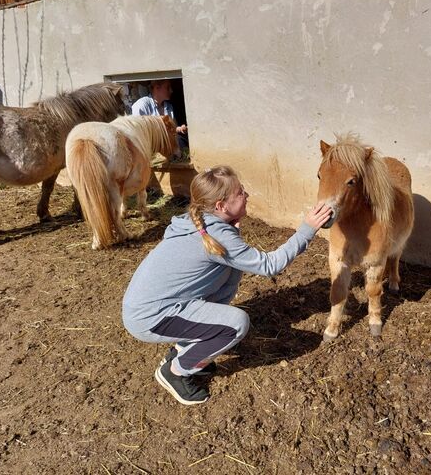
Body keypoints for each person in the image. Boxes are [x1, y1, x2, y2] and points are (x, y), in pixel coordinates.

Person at [122, 165, 332, 405]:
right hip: (149, 318)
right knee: (235, 325)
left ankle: (184, 348)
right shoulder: (217, 235)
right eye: (240, 192)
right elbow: (269, 265)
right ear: (221, 207)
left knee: (230, 272)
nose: (247, 195)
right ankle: (177, 371)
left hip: (149, 307)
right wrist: (307, 229)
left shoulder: (198, 221)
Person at [130, 79, 188, 157]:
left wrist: (179, 129)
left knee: (182, 141)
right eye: (168, 87)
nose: (171, 91)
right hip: (151, 150)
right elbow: (138, 131)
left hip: (167, 147)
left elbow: (170, 129)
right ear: (157, 88)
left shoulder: (168, 107)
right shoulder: (142, 105)